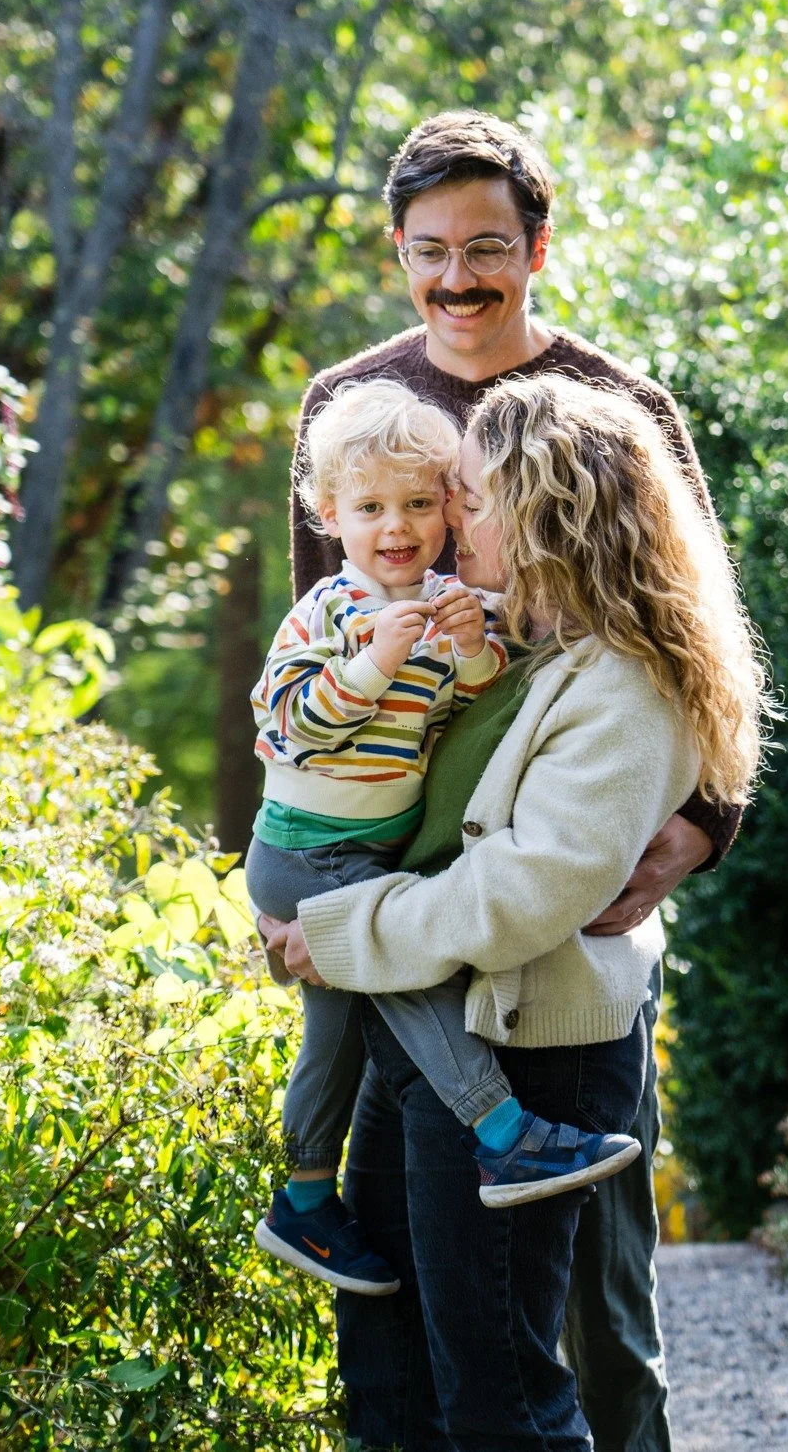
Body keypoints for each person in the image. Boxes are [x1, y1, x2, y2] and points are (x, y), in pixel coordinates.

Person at [288, 109, 742, 1452]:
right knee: (414, 1308)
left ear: (537, 246)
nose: (458, 277)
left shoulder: (617, 412)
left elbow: (697, 631)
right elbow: (317, 640)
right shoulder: (348, 407)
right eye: (430, 250)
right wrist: (322, 870)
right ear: (397, 255)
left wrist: (705, 826)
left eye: (488, 244)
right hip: (404, 906)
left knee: (588, 1308)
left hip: (545, 921)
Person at [245, 380, 643, 1297]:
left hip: (370, 855)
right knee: (411, 977)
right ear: (329, 514)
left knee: (333, 1039)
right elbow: (291, 722)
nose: (397, 526)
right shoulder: (327, 612)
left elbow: (467, 704)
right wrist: (375, 658)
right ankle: (503, 1136)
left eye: (420, 503)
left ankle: (305, 1196)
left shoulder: (445, 599)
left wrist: (467, 645)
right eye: (370, 507)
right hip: (310, 848)